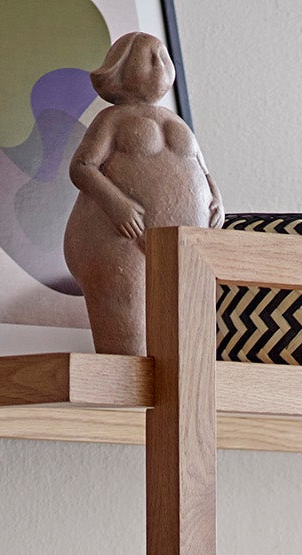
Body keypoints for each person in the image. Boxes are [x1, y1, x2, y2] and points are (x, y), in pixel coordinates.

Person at [63, 33, 221, 354]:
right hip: (118, 239)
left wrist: (215, 199)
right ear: (121, 67)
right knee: (126, 341)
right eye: (149, 58)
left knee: (183, 347)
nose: (160, 64)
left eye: (163, 57)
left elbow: (201, 169)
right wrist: (117, 204)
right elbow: (82, 167)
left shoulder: (176, 120)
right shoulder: (112, 119)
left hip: (178, 247)